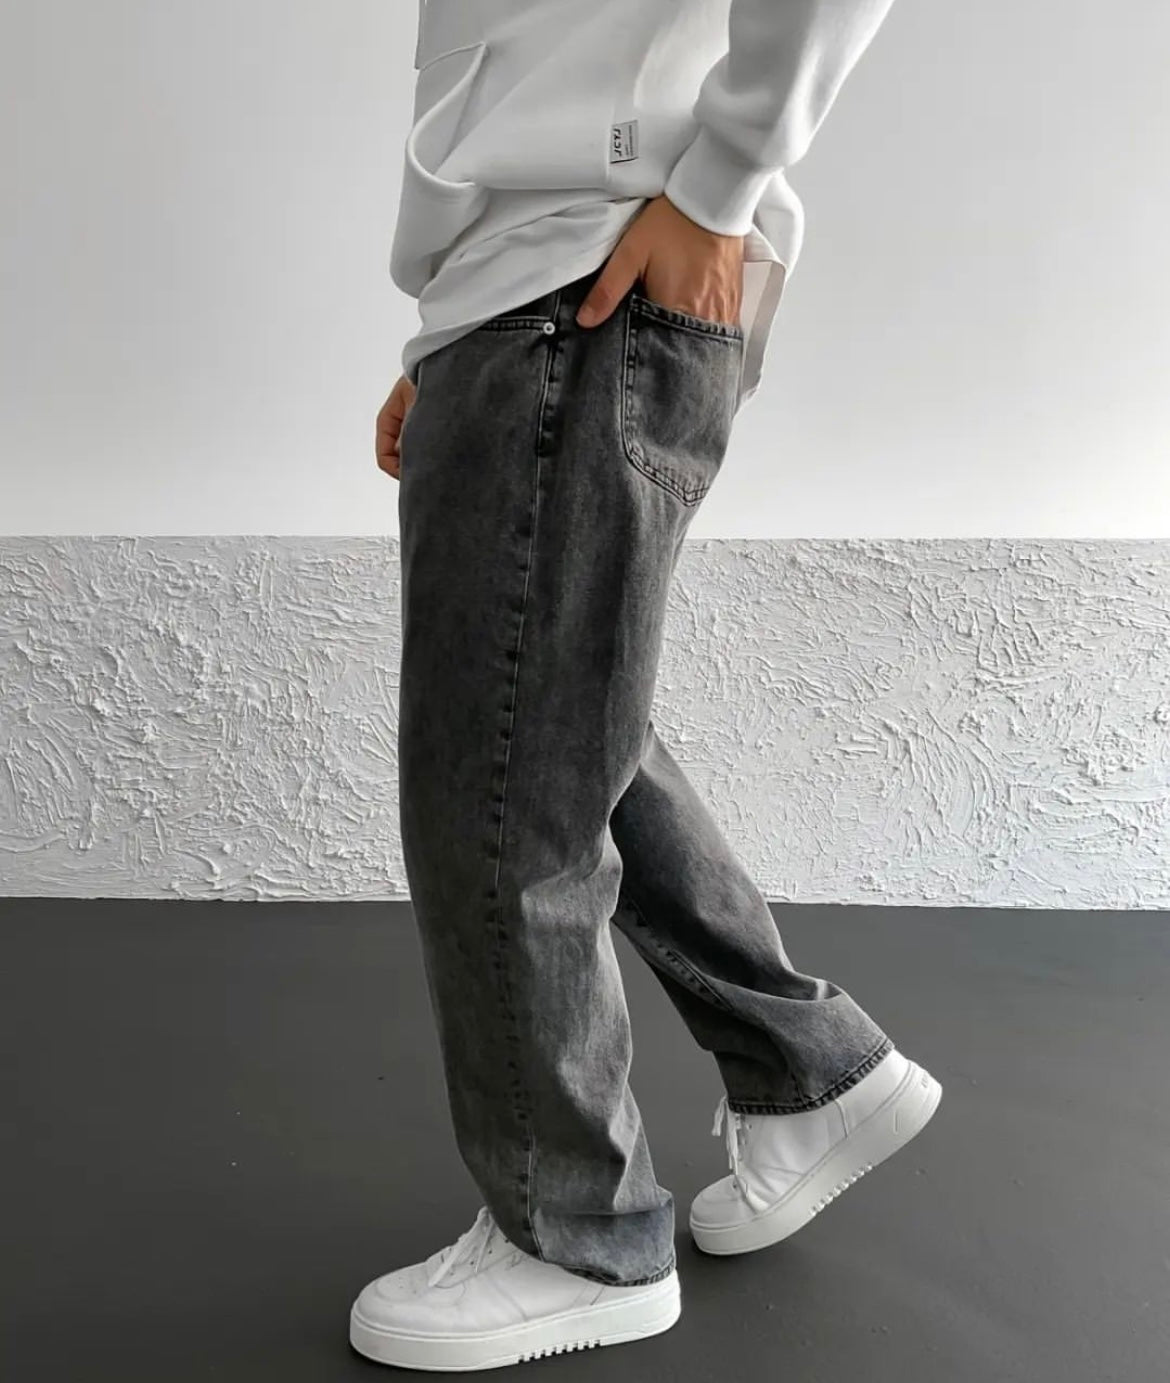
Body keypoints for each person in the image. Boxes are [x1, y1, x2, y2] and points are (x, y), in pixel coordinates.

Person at [353, 0, 941, 1370]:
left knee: (499, 777)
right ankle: (806, 1069)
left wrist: (719, 180)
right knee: (545, 728)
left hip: (587, 273)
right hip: (529, 287)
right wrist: (445, 338)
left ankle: (577, 1238)